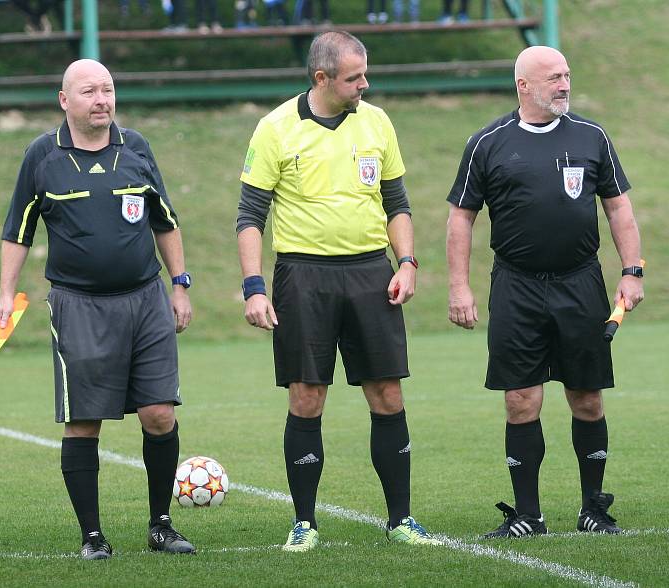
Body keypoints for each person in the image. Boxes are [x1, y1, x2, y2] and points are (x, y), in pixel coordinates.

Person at [237, 30, 442, 552]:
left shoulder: (376, 122)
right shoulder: (276, 129)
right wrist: (254, 287)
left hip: (371, 274)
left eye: (364, 74)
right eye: (354, 78)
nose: (364, 85)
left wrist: (408, 262)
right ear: (322, 78)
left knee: (387, 393)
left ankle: (402, 519)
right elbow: (250, 216)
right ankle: (304, 522)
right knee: (308, 398)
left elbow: (396, 201)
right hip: (303, 277)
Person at [0, 59, 197, 559]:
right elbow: (17, 230)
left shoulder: (137, 149)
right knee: (84, 420)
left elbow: (165, 221)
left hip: (146, 300)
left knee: (159, 413)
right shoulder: (42, 156)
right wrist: (6, 292)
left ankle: (161, 527)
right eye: (89, 91)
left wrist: (180, 285)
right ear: (64, 100)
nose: (102, 100)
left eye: (108, 90)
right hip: (79, 305)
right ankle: (92, 537)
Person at [445, 45, 644, 537]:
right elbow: (461, 218)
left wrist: (632, 270)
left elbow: (619, 209)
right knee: (520, 400)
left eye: (567, 75)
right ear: (524, 86)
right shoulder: (487, 142)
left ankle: (593, 510)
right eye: (554, 77)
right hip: (516, 286)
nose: (564, 84)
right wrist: (458, 287)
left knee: (587, 398)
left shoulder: (591, 136)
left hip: (581, 283)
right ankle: (528, 516)